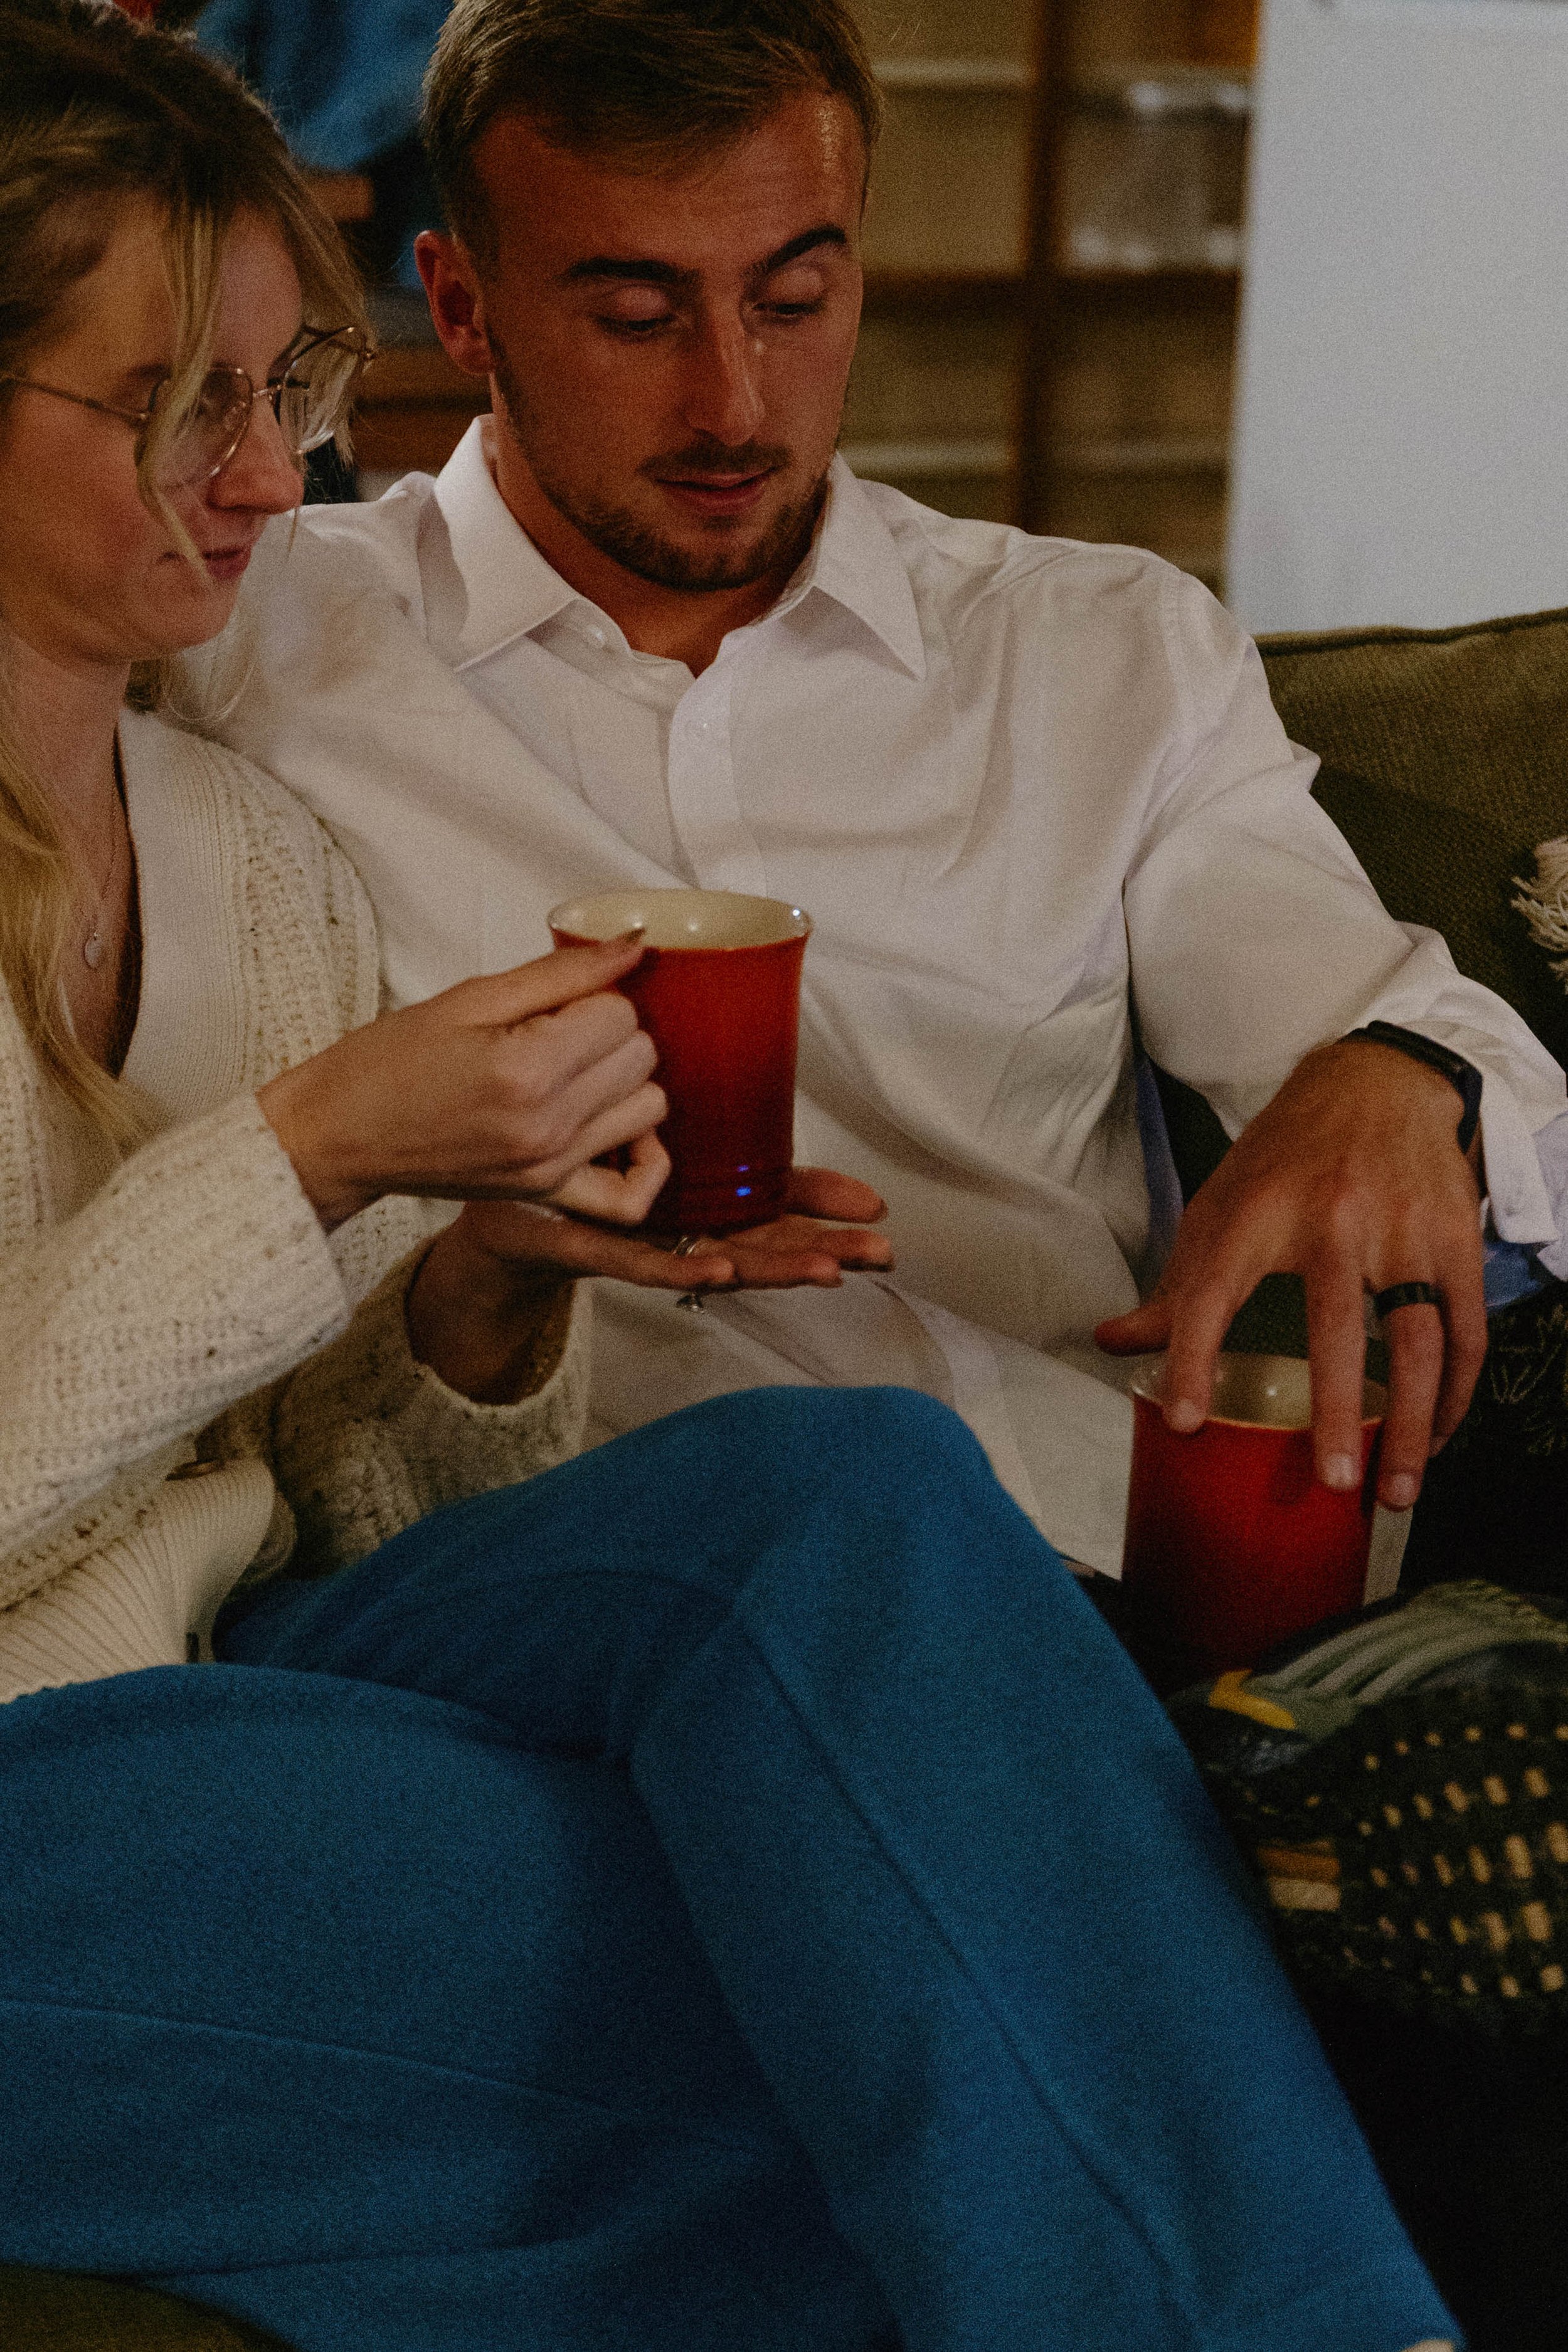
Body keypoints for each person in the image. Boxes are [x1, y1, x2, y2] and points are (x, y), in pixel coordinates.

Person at [0, 8, 1466, 2351]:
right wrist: (322, 1146)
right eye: (185, 404)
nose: (268, 483)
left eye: (286, 399)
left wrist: (484, 1274)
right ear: (474, 313)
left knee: (849, 1528)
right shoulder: (285, 663)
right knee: (884, 2045)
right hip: (161, 1746)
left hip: (386, 1651)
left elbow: (329, 1488)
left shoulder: (247, 850)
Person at [183, 0, 1568, 1580]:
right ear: (462, 303)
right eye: (636, 317)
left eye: (793, 300)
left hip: (1042, 1559)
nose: (734, 405)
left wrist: (1401, 1076)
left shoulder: (1093, 654)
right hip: (518, 1568)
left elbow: (1444, 1061)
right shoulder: (254, 636)